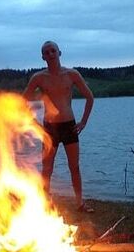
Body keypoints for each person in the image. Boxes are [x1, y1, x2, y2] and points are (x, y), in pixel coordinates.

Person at [23, 41, 94, 212]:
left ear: (59, 52)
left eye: (53, 51)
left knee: (74, 167)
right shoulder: (39, 78)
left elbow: (90, 97)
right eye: (46, 52)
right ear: (43, 57)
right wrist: (35, 125)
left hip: (69, 126)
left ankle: (80, 203)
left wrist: (83, 121)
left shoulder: (72, 74)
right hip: (49, 129)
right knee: (47, 168)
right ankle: (44, 203)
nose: (50, 54)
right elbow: (23, 102)